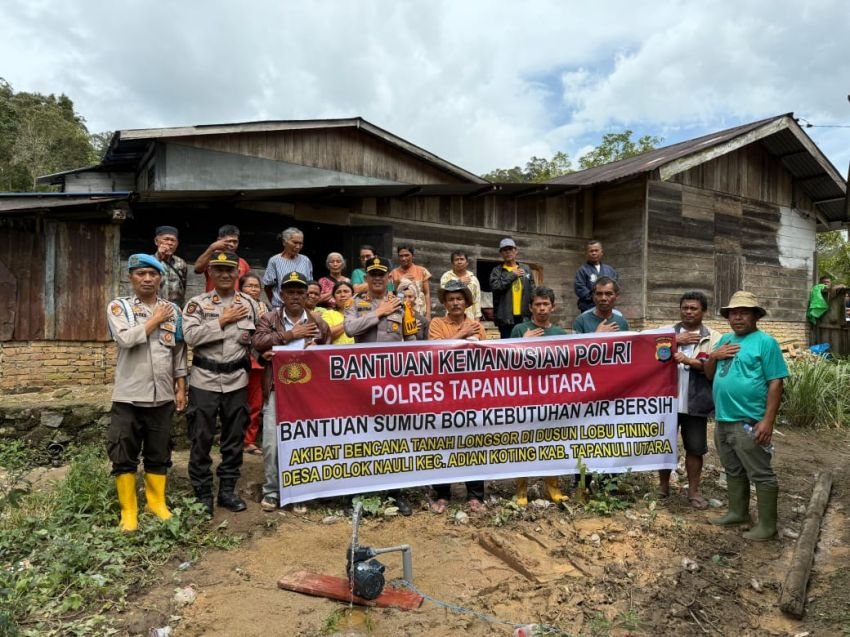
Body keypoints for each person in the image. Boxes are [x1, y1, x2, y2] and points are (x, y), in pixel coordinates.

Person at [106, 254, 187, 532]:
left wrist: (181, 386)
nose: (147, 279)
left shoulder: (173, 311)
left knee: (159, 450)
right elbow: (126, 339)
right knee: (123, 451)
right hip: (128, 395)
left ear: (160, 278)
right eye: (141, 274)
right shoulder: (120, 307)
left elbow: (179, 351)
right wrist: (153, 320)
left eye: (153, 274)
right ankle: (129, 511)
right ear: (131, 277)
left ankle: (156, 503)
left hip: (162, 395)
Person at [705, 291, 788, 541]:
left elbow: (776, 382)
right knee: (733, 469)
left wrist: (768, 421)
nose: (737, 317)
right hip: (723, 419)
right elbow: (710, 374)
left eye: (743, 312)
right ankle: (737, 512)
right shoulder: (724, 341)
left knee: (761, 472)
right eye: (733, 313)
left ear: (755, 316)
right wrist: (713, 356)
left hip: (749, 421)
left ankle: (767, 526)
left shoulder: (765, 342)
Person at [183, 251, 260, 516]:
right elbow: (190, 336)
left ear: (238, 273)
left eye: (230, 270)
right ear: (211, 273)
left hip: (237, 380)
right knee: (201, 438)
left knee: (233, 438)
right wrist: (222, 320)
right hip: (204, 380)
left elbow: (259, 338)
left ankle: (227, 491)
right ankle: (203, 492)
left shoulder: (251, 304)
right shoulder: (197, 304)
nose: (225, 274)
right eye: (219, 270)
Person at [253, 271, 332, 511]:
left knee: (304, 442)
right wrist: (290, 335)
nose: (295, 297)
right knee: (271, 443)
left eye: (300, 292)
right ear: (282, 294)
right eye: (290, 292)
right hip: (277, 387)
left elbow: (328, 355)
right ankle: (272, 491)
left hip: (306, 392)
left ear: (307, 295)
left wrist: (316, 349)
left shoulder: (318, 322)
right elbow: (258, 342)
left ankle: (299, 492)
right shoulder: (269, 317)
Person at [345, 256, 417, 515]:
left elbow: (412, 341)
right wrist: (378, 313)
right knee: (361, 436)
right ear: (366, 278)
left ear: (389, 278)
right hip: (362, 383)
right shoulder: (356, 303)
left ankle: (395, 493)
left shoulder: (402, 305)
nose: (377, 278)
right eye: (372, 274)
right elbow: (351, 329)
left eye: (381, 274)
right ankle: (358, 494)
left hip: (392, 383)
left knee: (394, 437)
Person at [658, 291, 721, 509]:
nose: (688, 312)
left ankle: (693, 491)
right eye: (685, 308)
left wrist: (689, 361)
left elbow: (715, 369)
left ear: (703, 311)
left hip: (695, 402)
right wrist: (675, 340)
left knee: (695, 448)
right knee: (664, 445)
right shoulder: (667, 333)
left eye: (694, 308)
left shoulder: (714, 338)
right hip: (667, 402)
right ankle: (663, 487)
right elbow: (646, 350)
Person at [428, 281, 487, 514]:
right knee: (443, 443)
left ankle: (475, 496)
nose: (455, 303)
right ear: (445, 303)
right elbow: (433, 353)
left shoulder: (477, 326)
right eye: (450, 299)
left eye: (459, 299)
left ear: (466, 302)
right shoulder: (437, 324)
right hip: (443, 394)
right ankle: (442, 494)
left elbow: (488, 356)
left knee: (473, 443)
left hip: (471, 394)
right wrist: (462, 335)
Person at [510, 287, 567, 506]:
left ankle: (552, 487)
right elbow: (506, 362)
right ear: (530, 307)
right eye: (538, 305)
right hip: (525, 398)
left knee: (552, 444)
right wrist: (522, 342)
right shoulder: (519, 329)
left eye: (546, 304)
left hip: (552, 399)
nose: (542, 309)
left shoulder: (561, 335)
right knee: (524, 443)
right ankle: (521, 489)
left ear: (552, 307)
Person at [239, 273, 270, 456]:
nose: (253, 289)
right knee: (235, 403)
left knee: (255, 403)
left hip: (259, 360)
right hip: (238, 359)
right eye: (249, 286)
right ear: (241, 288)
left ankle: (248, 440)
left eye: (256, 286)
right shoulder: (236, 305)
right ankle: (233, 438)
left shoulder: (265, 308)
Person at [489, 237, 534, 339]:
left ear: (516, 251)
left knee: (525, 346)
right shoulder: (497, 271)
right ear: (501, 253)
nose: (508, 252)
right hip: (506, 318)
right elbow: (495, 287)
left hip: (524, 317)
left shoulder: (526, 269)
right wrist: (512, 275)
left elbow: (533, 290)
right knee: (508, 347)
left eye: (510, 249)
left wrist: (533, 312)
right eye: (504, 250)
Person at [262, 227, 314, 308]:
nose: (298, 246)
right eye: (295, 242)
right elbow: (268, 287)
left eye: (300, 243)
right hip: (280, 307)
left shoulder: (306, 260)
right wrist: (276, 303)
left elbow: (309, 285)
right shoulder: (274, 261)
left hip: (301, 308)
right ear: (284, 242)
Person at [194, 225, 252, 292]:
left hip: (236, 301)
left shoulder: (243, 262)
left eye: (235, 242)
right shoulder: (211, 258)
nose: (232, 245)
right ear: (219, 240)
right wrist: (211, 248)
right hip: (213, 300)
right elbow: (197, 269)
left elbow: (248, 283)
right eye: (228, 241)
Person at [574, 240, 618, 313]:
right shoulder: (582, 270)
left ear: (601, 252)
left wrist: (607, 298)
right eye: (591, 251)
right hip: (588, 307)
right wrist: (596, 297)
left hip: (608, 308)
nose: (594, 253)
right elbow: (580, 288)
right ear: (587, 254)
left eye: (596, 250)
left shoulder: (610, 270)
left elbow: (615, 288)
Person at [389, 244, 431, 320]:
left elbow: (427, 293)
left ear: (413, 256)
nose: (404, 258)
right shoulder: (393, 273)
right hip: (400, 312)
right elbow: (390, 293)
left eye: (407, 255)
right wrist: (399, 280)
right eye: (401, 256)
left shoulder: (422, 271)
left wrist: (428, 314)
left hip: (420, 311)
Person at [439, 251, 482, 320]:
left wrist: (477, 319)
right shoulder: (446, 276)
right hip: (451, 316)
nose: (459, 262)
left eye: (462, 259)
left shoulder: (473, 279)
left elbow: (477, 300)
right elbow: (442, 292)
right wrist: (459, 282)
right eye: (456, 259)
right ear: (452, 263)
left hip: (469, 317)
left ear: (467, 263)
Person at [152, 225, 188, 306]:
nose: (169, 243)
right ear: (156, 241)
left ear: (177, 244)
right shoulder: (149, 261)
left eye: (173, 240)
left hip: (175, 309)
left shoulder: (181, 263)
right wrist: (159, 257)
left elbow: (183, 288)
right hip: (154, 308)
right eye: (166, 239)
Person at [322, 281, 356, 345]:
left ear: (353, 295)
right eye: (338, 292)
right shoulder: (329, 314)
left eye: (346, 291)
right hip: (337, 353)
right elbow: (327, 335)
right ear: (334, 298)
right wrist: (351, 321)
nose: (342, 295)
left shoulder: (361, 313)